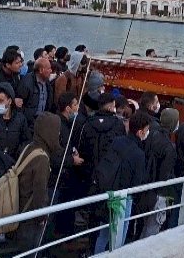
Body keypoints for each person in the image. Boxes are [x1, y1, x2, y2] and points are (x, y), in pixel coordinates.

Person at [92, 111, 150, 254]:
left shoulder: (117, 141)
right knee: (119, 236)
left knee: (103, 235)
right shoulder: (139, 154)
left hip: (108, 191)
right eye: (147, 130)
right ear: (140, 132)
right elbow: (137, 182)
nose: (148, 133)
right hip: (124, 199)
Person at [13, 111, 61, 254]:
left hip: (19, 208)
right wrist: (42, 216)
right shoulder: (42, 158)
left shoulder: (29, 147)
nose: (58, 135)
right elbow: (40, 191)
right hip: (30, 217)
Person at [76, 92, 126, 195]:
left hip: (88, 175)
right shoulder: (118, 125)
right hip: (110, 175)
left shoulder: (87, 124)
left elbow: (80, 147)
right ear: (111, 105)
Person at [140, 107, 177, 239]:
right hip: (158, 193)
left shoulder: (151, 135)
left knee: (144, 226)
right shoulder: (169, 147)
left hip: (145, 188)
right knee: (152, 228)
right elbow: (164, 175)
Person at [52, 92, 85, 237]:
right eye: (75, 105)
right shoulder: (60, 125)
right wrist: (72, 160)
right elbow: (57, 153)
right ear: (67, 108)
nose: (78, 107)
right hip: (61, 176)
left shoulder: (67, 124)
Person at [0, 82, 30, 163]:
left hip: (14, 163)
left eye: (0, 101)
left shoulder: (20, 119)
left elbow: (26, 141)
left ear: (10, 101)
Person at [16, 58, 54, 131]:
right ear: (41, 70)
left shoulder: (46, 82)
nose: (51, 71)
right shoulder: (26, 83)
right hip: (29, 123)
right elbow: (19, 106)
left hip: (43, 119)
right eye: (49, 68)